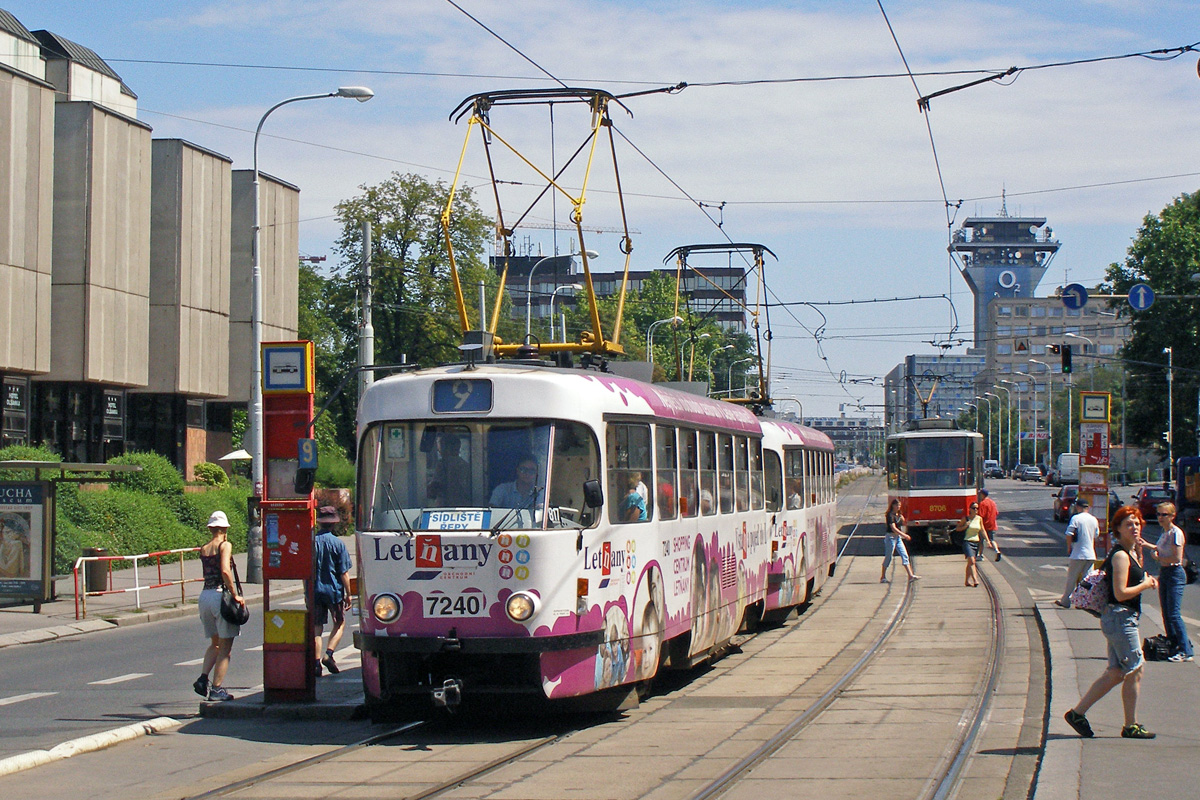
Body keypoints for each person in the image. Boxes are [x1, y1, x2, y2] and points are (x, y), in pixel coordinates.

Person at [1064, 505, 1159, 740]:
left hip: (1121, 618)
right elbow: (1120, 592)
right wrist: (1145, 585)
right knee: (1135, 669)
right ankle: (1130, 725)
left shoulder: (1132, 552)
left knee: (1116, 672)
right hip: (1120, 617)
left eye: (1137, 523)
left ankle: (1077, 713)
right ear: (1117, 529)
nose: (1134, 527)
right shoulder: (1120, 556)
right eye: (1129, 524)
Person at [193, 511, 241, 702]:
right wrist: (236, 595)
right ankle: (217, 688)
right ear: (225, 529)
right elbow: (225, 570)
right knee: (226, 646)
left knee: (215, 643)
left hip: (204, 596)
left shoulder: (204, 548)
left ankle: (203, 679)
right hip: (220, 596)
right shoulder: (225, 545)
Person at [1143, 502, 1193, 662]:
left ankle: (1186, 651)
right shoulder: (1165, 532)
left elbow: (1176, 558)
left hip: (1174, 573)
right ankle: (1174, 645)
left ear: (1172, 516)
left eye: (1164, 515)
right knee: (1166, 613)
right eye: (1158, 514)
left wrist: (1158, 558)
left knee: (1173, 614)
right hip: (1164, 572)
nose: (1160, 518)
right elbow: (1160, 547)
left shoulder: (1176, 533)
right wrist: (1145, 544)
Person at [313, 506, 353, 675]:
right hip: (334, 591)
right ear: (334, 524)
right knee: (340, 622)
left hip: (315, 590)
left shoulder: (311, 542)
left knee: (317, 627)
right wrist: (349, 594)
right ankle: (329, 654)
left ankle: (315, 663)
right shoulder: (338, 544)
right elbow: (343, 573)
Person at [1055, 496, 1100, 608]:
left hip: (1078, 553)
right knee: (1087, 580)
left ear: (1078, 507)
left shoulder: (1076, 518)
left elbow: (1069, 533)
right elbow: (1096, 535)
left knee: (1072, 578)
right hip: (1090, 554)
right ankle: (1085, 602)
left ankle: (1065, 601)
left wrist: (1069, 546)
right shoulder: (1094, 519)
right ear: (1088, 507)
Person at [426, 432, 471, 507]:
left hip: (445, 506)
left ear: (445, 447)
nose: (439, 449)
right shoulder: (466, 465)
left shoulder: (443, 464)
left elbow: (434, 488)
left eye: (441, 446)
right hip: (464, 505)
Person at [955, 500, 993, 587]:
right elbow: (957, 528)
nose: (976, 510)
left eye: (977, 508)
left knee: (970, 563)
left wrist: (988, 540)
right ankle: (975, 580)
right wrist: (965, 526)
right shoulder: (966, 518)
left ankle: (967, 581)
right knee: (972, 561)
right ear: (970, 509)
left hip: (976, 542)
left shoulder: (979, 519)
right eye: (974, 508)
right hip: (967, 541)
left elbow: (982, 530)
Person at [881, 499, 919, 582]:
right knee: (889, 557)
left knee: (904, 555)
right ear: (893, 505)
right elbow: (893, 528)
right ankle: (883, 577)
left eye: (899, 505)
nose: (898, 507)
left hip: (897, 538)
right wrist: (904, 535)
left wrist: (902, 519)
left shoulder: (898, 514)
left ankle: (910, 575)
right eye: (897, 505)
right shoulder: (890, 515)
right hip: (890, 538)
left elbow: (904, 524)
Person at [978, 489, 1000, 559]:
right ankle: (997, 551)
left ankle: (980, 555)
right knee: (992, 540)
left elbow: (981, 515)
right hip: (992, 524)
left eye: (980, 494)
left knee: (981, 540)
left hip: (984, 525)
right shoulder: (992, 502)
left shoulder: (983, 503)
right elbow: (996, 513)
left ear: (982, 495)